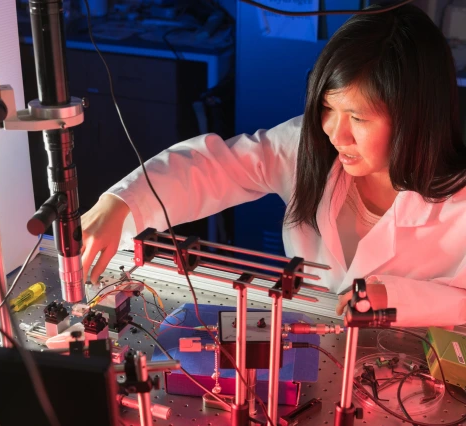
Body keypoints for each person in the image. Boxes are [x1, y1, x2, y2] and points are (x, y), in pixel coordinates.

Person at [80, 4, 466, 327]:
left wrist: (397, 297)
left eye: (359, 118)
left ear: (416, 117)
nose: (335, 133)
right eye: (327, 108)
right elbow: (216, 167)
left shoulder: (458, 204)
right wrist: (124, 201)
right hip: (317, 347)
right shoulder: (309, 146)